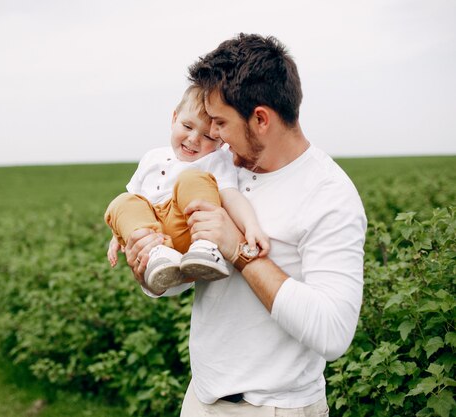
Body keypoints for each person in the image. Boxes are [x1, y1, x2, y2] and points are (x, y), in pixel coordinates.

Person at [125, 34, 367, 416]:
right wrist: (150, 268)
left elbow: (333, 332)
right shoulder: (219, 171)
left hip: (274, 408)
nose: (213, 136)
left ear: (260, 119)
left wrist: (239, 250)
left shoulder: (328, 194)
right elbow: (189, 279)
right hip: (202, 397)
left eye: (220, 123)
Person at [105, 85, 269, 295]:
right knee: (121, 201)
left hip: (187, 226)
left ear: (221, 140)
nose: (193, 139)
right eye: (187, 126)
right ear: (174, 118)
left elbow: (231, 196)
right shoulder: (151, 158)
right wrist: (118, 236)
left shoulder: (215, 160)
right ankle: (159, 258)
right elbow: (132, 204)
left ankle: (204, 248)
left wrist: (251, 226)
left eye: (208, 137)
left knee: (192, 179)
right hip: (154, 235)